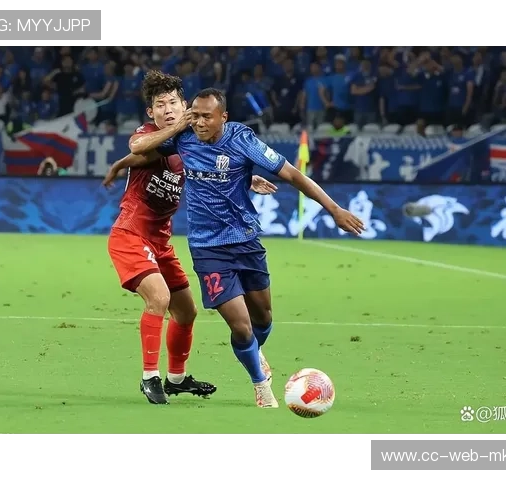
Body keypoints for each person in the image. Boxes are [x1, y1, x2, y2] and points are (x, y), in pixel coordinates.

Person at [129, 87, 365, 408]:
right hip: (208, 248)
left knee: (263, 320)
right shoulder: (182, 137)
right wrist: (132, 158)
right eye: (195, 116)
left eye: (206, 117)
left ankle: (254, 351)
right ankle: (260, 385)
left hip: (246, 241)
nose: (199, 123)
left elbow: (292, 174)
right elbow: (138, 147)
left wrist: (334, 209)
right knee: (240, 326)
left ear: (223, 118)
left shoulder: (242, 139)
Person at [104, 72, 277, 405]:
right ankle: (149, 377)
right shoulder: (151, 134)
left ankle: (177, 378)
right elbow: (137, 150)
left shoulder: (190, 141)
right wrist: (119, 164)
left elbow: (212, 168)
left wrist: (246, 178)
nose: (168, 109)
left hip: (161, 241)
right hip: (130, 234)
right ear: (150, 112)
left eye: (173, 102)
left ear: (184, 105)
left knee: (186, 311)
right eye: (160, 105)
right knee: (159, 298)